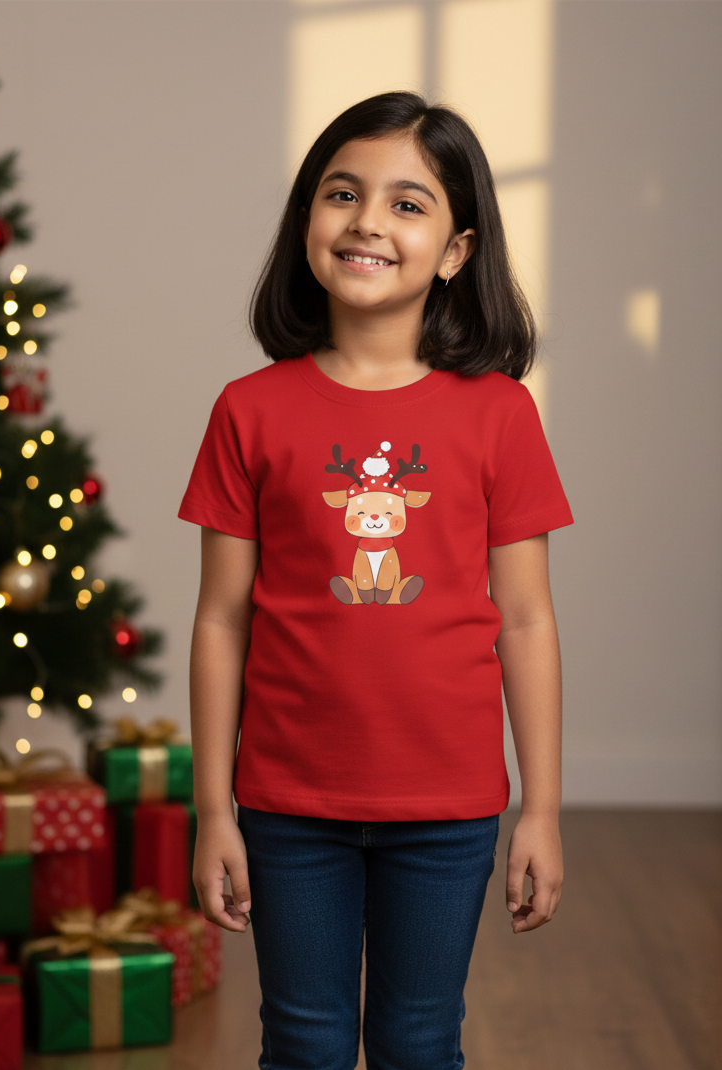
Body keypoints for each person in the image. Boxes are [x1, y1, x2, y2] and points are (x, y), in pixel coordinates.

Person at [179, 90, 573, 1070]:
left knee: (418, 1039)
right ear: (305, 221)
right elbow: (221, 620)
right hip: (284, 802)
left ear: (454, 250)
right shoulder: (248, 410)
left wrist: (541, 807)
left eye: (408, 203)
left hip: (446, 808)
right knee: (304, 1042)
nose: (366, 220)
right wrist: (215, 808)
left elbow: (524, 620)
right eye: (341, 193)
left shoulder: (498, 415)